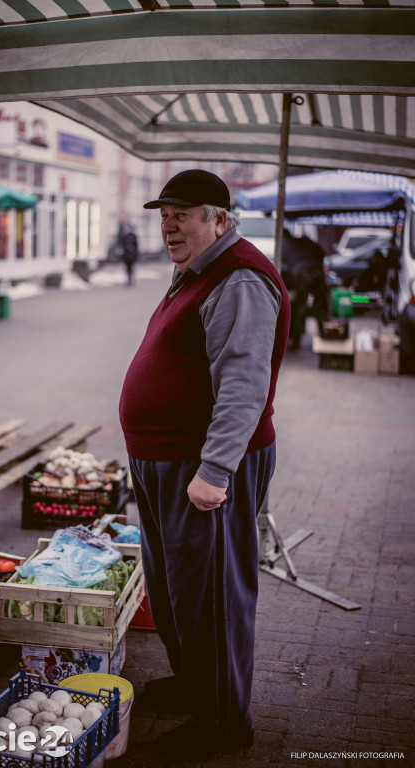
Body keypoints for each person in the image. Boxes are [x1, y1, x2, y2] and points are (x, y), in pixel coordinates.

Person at [119, 170, 291, 759]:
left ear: (220, 218)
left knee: (212, 597)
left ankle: (223, 720)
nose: (169, 223)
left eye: (183, 213)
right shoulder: (196, 270)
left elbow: (244, 385)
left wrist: (215, 471)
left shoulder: (238, 277)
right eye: (164, 212)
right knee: (174, 589)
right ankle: (198, 683)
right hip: (166, 457)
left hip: (202, 463)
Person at [281, 228, 329, 349]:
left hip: (302, 274)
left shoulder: (283, 245)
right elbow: (322, 252)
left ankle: (296, 342)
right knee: (321, 306)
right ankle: (326, 337)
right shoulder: (304, 240)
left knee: (300, 307)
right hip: (317, 271)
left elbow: (282, 268)